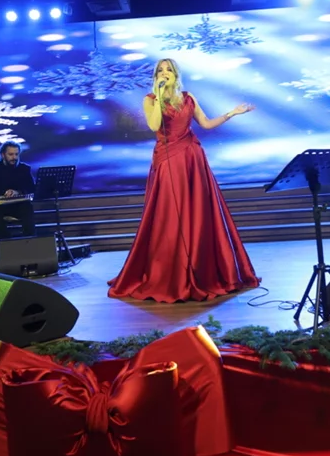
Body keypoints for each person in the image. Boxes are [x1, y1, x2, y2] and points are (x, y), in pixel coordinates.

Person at [108, 58, 259, 303]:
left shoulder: (189, 98)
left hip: (192, 157)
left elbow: (207, 124)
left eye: (168, 70)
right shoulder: (149, 100)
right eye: (160, 71)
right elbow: (155, 125)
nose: (164, 73)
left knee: (197, 213)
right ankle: (171, 273)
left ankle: (201, 269)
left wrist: (233, 112)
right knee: (169, 214)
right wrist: (158, 95)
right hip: (168, 159)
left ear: (176, 74)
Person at [0, 141, 37, 240]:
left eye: (16, 154)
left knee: (28, 207)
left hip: (18, 205)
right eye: (10, 154)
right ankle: (6, 241)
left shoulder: (24, 169)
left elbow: (31, 188)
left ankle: (29, 241)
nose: (14, 157)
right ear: (2, 155)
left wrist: (17, 192)